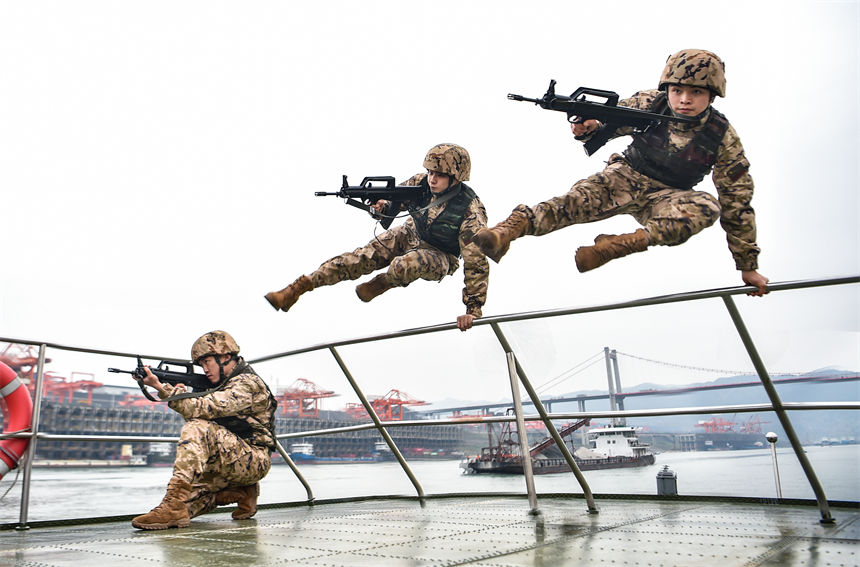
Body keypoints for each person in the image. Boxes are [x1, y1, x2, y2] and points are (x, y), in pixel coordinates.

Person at [473, 49, 769, 296]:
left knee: (707, 206)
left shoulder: (721, 136)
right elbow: (610, 123)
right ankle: (505, 231)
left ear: (712, 95)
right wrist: (588, 129)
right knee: (569, 204)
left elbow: (738, 202)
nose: (684, 100)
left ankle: (617, 246)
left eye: (696, 92)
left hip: (668, 196)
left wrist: (747, 265)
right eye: (677, 90)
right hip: (625, 176)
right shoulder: (651, 102)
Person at [264, 143, 490, 330]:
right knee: (359, 258)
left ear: (456, 177)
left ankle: (384, 282)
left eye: (440, 175)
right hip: (410, 232)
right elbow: (392, 206)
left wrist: (473, 310)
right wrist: (382, 206)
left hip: (440, 255)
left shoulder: (470, 210)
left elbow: (476, 262)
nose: (432, 179)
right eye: (431, 172)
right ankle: (297, 289)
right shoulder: (419, 182)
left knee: (404, 265)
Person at [131, 330, 278, 530]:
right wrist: (175, 391)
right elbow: (199, 413)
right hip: (228, 458)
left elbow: (202, 410)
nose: (205, 369)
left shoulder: (247, 383)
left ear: (225, 357)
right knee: (188, 506)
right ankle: (242, 492)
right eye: (201, 364)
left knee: (196, 428)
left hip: (254, 459)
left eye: (207, 362)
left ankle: (173, 503)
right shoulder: (223, 384)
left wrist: (161, 387)